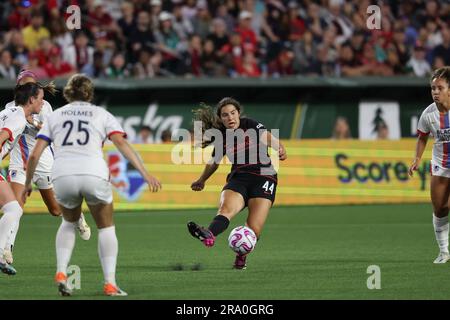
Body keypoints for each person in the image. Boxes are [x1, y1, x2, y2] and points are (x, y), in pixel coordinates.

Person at [22, 74, 162, 296]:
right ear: (89, 93)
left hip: (63, 174)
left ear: (68, 92)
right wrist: (145, 173)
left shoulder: (54, 116)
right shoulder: (101, 114)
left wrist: (28, 183)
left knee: (68, 222)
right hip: (93, 172)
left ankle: (61, 271)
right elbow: (122, 144)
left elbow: (34, 154)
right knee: (106, 227)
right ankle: (109, 283)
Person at [3, 70, 92, 268]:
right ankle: (6, 247)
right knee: (16, 206)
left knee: (54, 210)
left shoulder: (44, 105)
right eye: (24, 85)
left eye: (31, 84)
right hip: (20, 163)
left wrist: (32, 121)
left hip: (44, 163)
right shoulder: (11, 108)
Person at [187, 97, 287, 269]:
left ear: (238, 114)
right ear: (221, 119)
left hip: (264, 177)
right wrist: (201, 180)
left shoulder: (249, 124)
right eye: (225, 115)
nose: (230, 117)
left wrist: (279, 147)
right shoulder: (222, 137)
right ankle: (209, 234)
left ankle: (241, 258)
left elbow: (267, 137)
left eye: (233, 113)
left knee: (254, 229)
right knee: (225, 210)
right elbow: (214, 162)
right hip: (239, 177)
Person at [0, 82, 45, 275]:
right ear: (32, 99)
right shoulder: (17, 118)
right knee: (13, 209)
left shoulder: (10, 112)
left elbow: (33, 123)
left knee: (13, 209)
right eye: (41, 99)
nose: (43, 103)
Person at [409, 66, 450, 264]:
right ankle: (444, 251)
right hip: (441, 165)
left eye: (439, 88)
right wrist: (417, 159)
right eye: (433, 88)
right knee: (440, 208)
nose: (435, 92)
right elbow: (422, 137)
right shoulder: (428, 114)